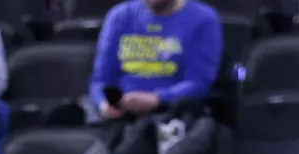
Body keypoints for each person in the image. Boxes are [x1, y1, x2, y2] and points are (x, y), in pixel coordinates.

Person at [88, 0, 222, 118]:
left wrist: (157, 99)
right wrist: (103, 102)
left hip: (172, 115)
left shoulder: (203, 19)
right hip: (120, 117)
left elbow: (199, 84)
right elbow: (100, 80)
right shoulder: (119, 17)